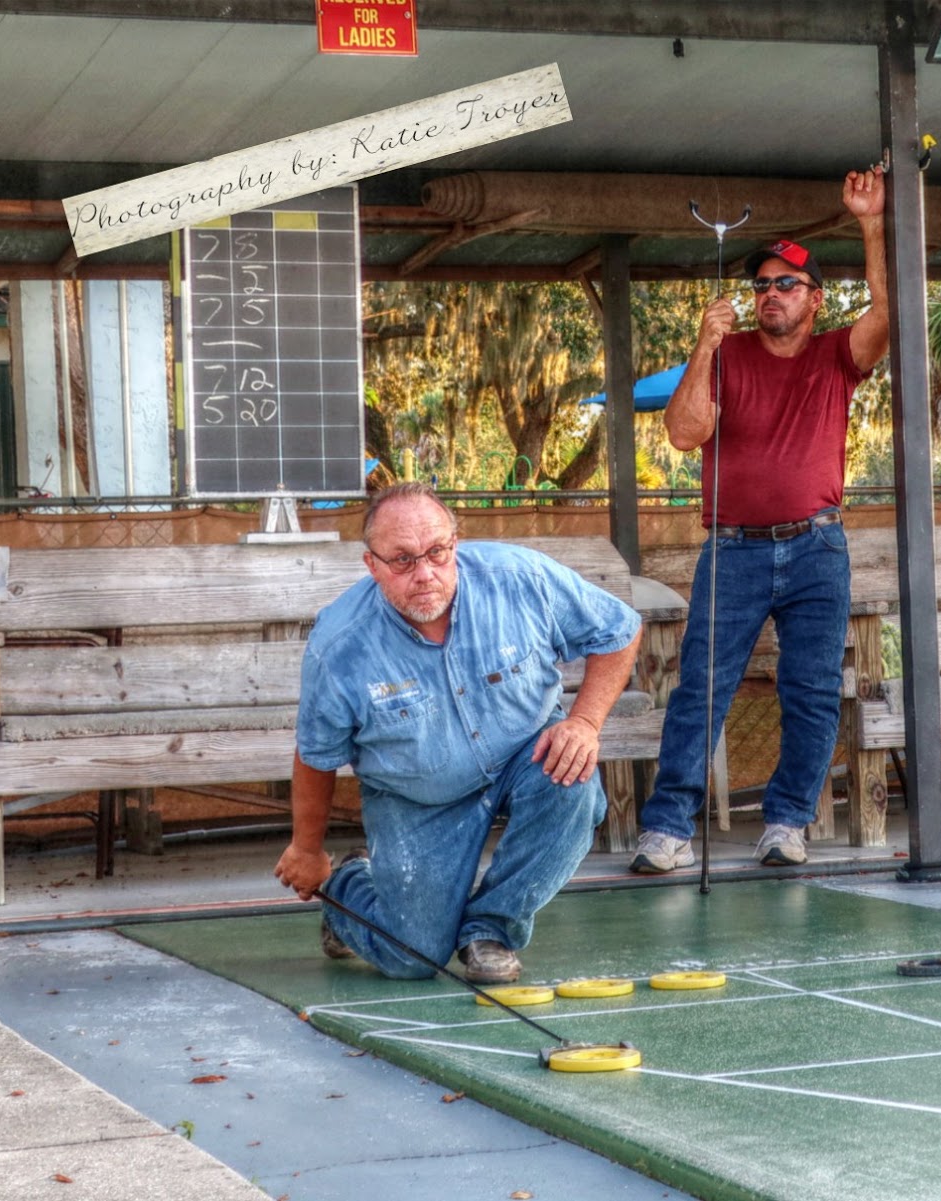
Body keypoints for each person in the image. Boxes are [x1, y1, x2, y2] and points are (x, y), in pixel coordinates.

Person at [274, 483, 642, 983]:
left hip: (523, 757)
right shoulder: (338, 644)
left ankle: (489, 930)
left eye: (437, 553)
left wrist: (583, 722)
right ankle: (348, 889)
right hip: (416, 797)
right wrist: (307, 849)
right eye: (402, 561)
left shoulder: (521, 578)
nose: (425, 574)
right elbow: (317, 754)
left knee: (573, 780)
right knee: (413, 957)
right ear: (372, 565)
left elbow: (618, 630)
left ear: (455, 544)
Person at [631, 165, 890, 874]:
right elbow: (684, 434)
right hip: (734, 549)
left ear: (814, 299)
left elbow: (887, 315)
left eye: (785, 284)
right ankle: (668, 830)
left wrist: (870, 222)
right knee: (701, 689)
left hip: (816, 546)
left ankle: (787, 822)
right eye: (760, 285)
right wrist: (705, 343)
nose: (768, 294)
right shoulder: (730, 353)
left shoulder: (838, 353)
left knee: (809, 691)